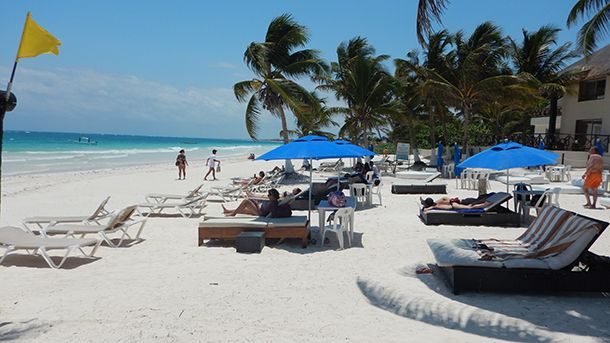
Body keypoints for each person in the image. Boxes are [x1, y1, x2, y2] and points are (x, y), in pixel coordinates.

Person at [222, 188, 292, 218]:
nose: (268, 195)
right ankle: (228, 211)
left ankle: (233, 214)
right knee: (247, 210)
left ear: (273, 196)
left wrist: (257, 207)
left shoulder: (273, 204)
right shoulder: (274, 201)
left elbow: (264, 213)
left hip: (260, 213)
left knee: (246, 201)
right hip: (260, 210)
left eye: (269, 195)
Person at [421, 193, 494, 212]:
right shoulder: (441, 201)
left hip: (463, 202)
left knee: (471, 206)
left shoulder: (438, 204)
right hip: (464, 201)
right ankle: (485, 204)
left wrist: (430, 207)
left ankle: (485, 204)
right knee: (473, 203)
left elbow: (450, 207)